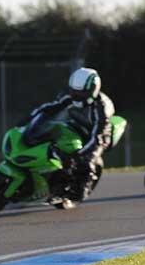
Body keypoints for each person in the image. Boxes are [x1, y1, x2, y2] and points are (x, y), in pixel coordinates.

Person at [21, 67, 115, 201]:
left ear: (92, 90)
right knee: (53, 137)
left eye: (80, 93)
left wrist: (80, 156)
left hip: (99, 133)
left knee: (86, 161)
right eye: (73, 92)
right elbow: (50, 107)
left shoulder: (101, 108)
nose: (75, 96)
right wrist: (29, 119)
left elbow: (98, 138)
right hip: (77, 126)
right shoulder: (70, 97)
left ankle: (81, 189)